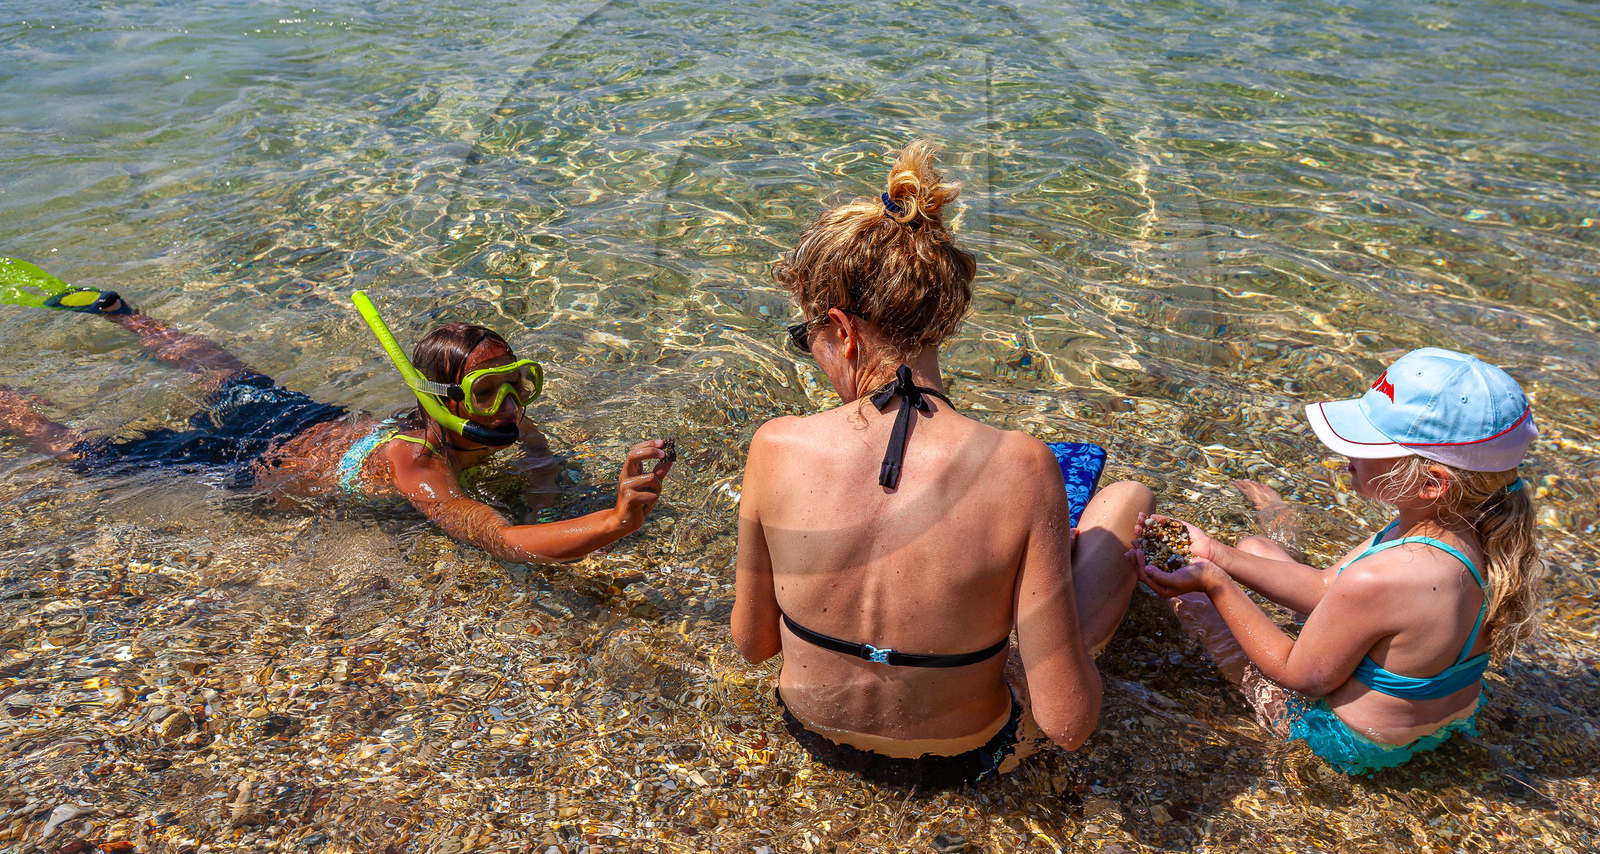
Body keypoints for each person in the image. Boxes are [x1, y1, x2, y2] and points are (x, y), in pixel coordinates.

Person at [730, 143, 1153, 788]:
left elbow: (755, 643)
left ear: (843, 330)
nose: (809, 351)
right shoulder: (1020, 465)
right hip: (962, 760)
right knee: (1126, 500)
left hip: (810, 732)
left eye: (804, 337)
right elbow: (1069, 724)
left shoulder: (774, 445)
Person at [0, 262, 671, 563]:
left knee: (222, 370)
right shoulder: (417, 462)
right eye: (493, 388)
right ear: (441, 398)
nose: (515, 404)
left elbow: (539, 454)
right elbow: (501, 538)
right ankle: (13, 410)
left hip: (307, 419)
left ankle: (117, 310)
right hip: (250, 466)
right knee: (90, 458)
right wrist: (612, 519)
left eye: (520, 381)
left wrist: (548, 492)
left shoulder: (505, 416)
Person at [1129, 348, 1541, 775]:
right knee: (1254, 547)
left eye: (1366, 443)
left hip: (1348, 742)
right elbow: (1323, 588)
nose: (1346, 452)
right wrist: (1217, 553)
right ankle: (1260, 533)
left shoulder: (1382, 576)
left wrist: (1216, 583)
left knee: (1193, 602)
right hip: (1441, 719)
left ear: (1431, 483)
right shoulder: (1478, 530)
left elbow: (1298, 676)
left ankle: (1226, 567)